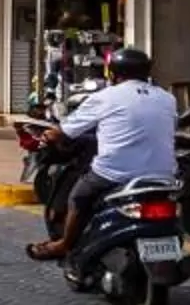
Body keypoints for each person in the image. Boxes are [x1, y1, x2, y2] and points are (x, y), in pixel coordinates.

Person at [27, 46, 176, 261]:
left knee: (79, 196)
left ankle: (65, 244)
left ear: (113, 73)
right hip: (161, 176)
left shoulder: (106, 97)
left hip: (115, 174)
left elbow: (66, 132)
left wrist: (50, 136)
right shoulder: (166, 98)